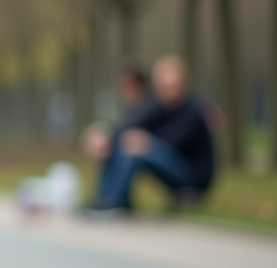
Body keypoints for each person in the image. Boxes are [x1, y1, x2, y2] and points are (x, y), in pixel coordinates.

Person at [89, 55, 215, 212]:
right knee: (125, 140)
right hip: (169, 166)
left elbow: (174, 142)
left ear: (184, 84)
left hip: (193, 177)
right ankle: (105, 198)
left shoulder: (193, 111)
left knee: (137, 145)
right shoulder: (158, 106)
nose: (167, 91)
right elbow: (129, 125)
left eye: (172, 86)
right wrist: (103, 136)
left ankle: (115, 202)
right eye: (162, 87)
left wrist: (147, 142)